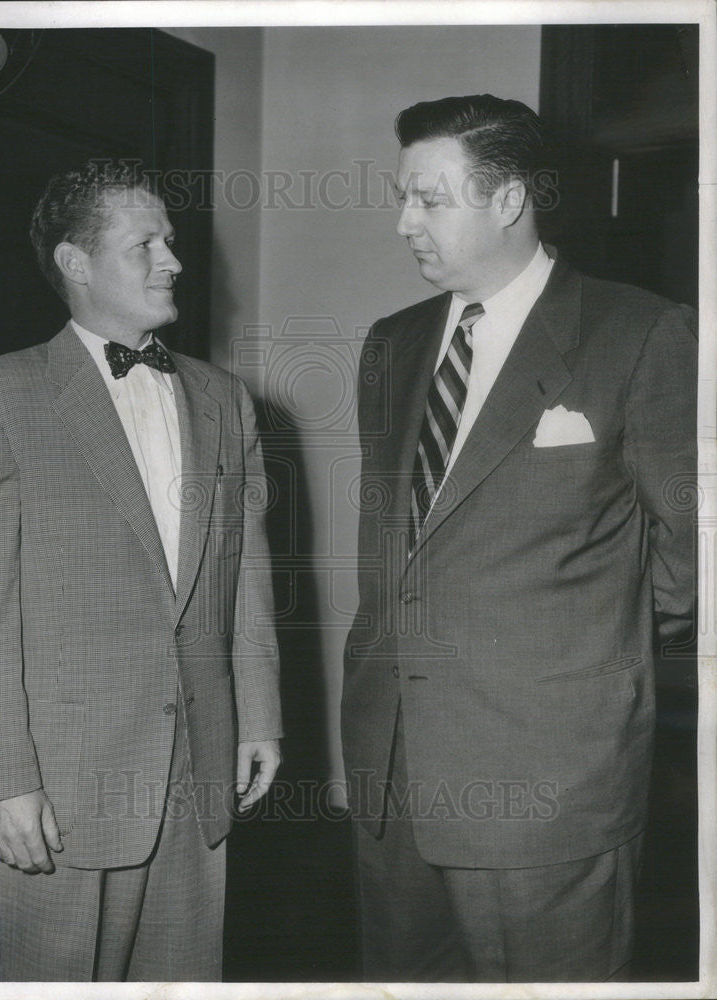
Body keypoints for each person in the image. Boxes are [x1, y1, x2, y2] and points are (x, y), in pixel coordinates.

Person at [341, 94, 696, 983]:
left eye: (428, 198)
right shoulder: (390, 345)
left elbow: (694, 549)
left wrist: (584, 643)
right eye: (401, 197)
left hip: (548, 781)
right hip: (394, 773)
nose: (403, 223)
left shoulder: (642, 332)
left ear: (508, 201)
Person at [0, 160, 282, 982]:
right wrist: (0, 783)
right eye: (146, 245)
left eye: (173, 240)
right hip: (58, 786)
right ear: (75, 263)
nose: (174, 261)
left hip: (199, 767)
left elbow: (245, 572)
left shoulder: (223, 399)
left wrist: (258, 712)